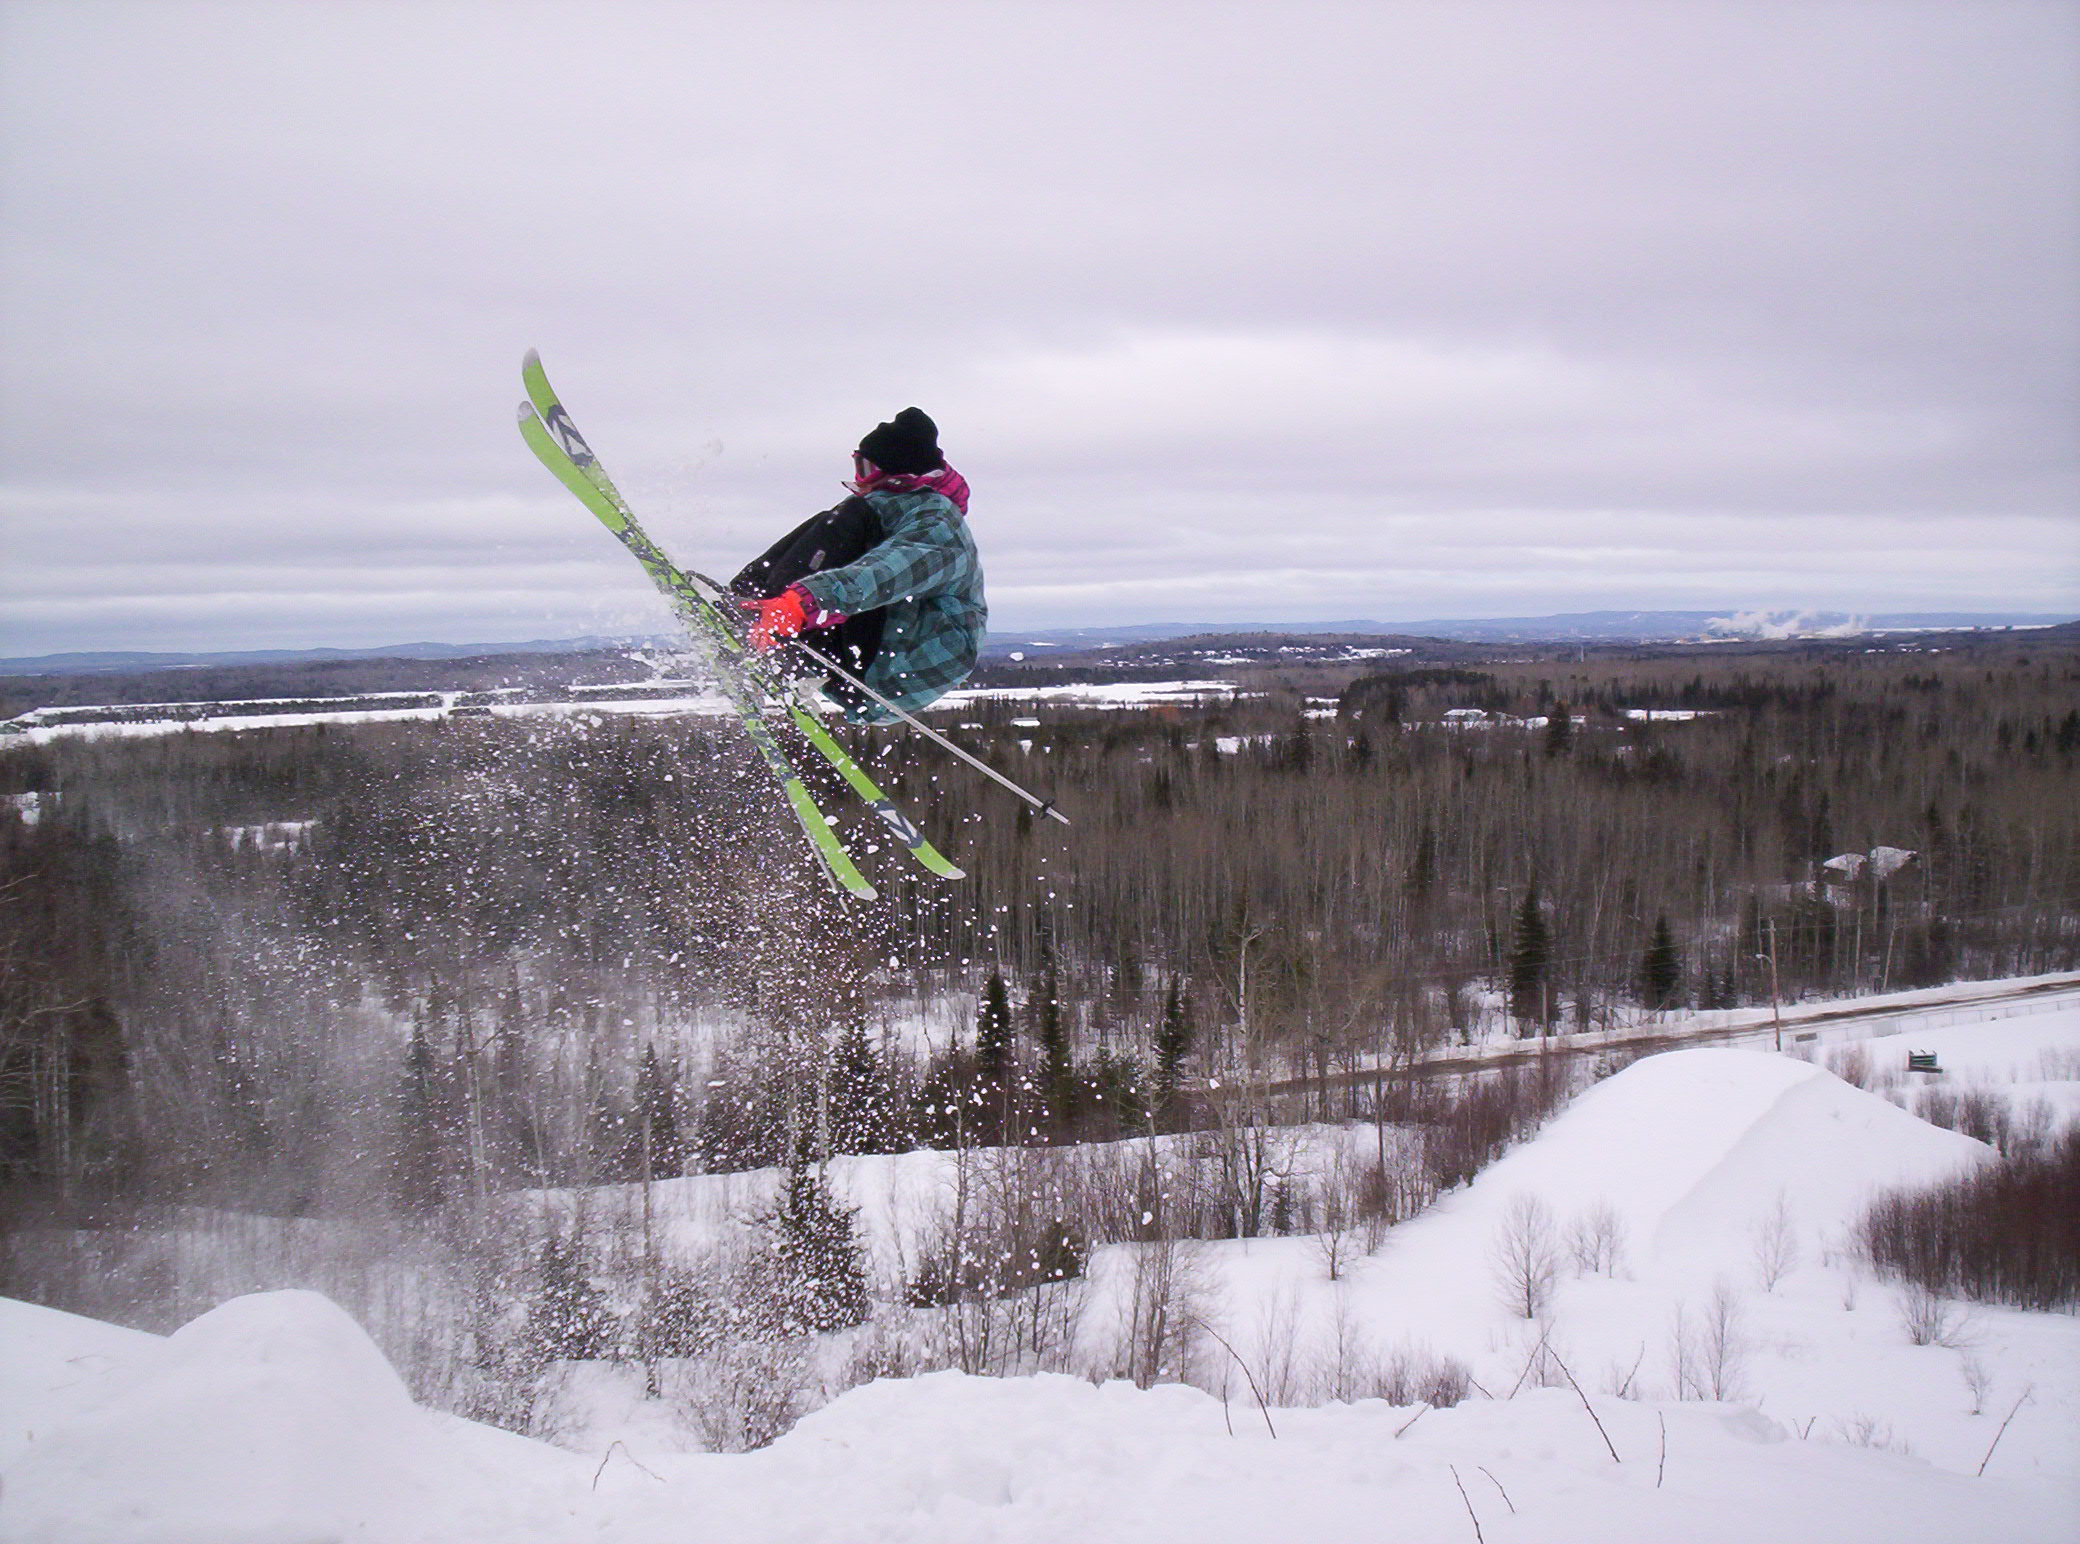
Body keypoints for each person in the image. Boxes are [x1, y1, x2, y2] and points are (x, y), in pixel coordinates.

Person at [731, 407, 985, 723]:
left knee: (848, 517)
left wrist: (804, 602)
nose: (859, 479)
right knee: (836, 520)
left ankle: (766, 610)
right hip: (880, 658)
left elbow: (887, 572)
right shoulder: (899, 513)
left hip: (907, 666)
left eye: (865, 467)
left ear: (897, 471)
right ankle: (753, 607)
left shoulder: (938, 525)